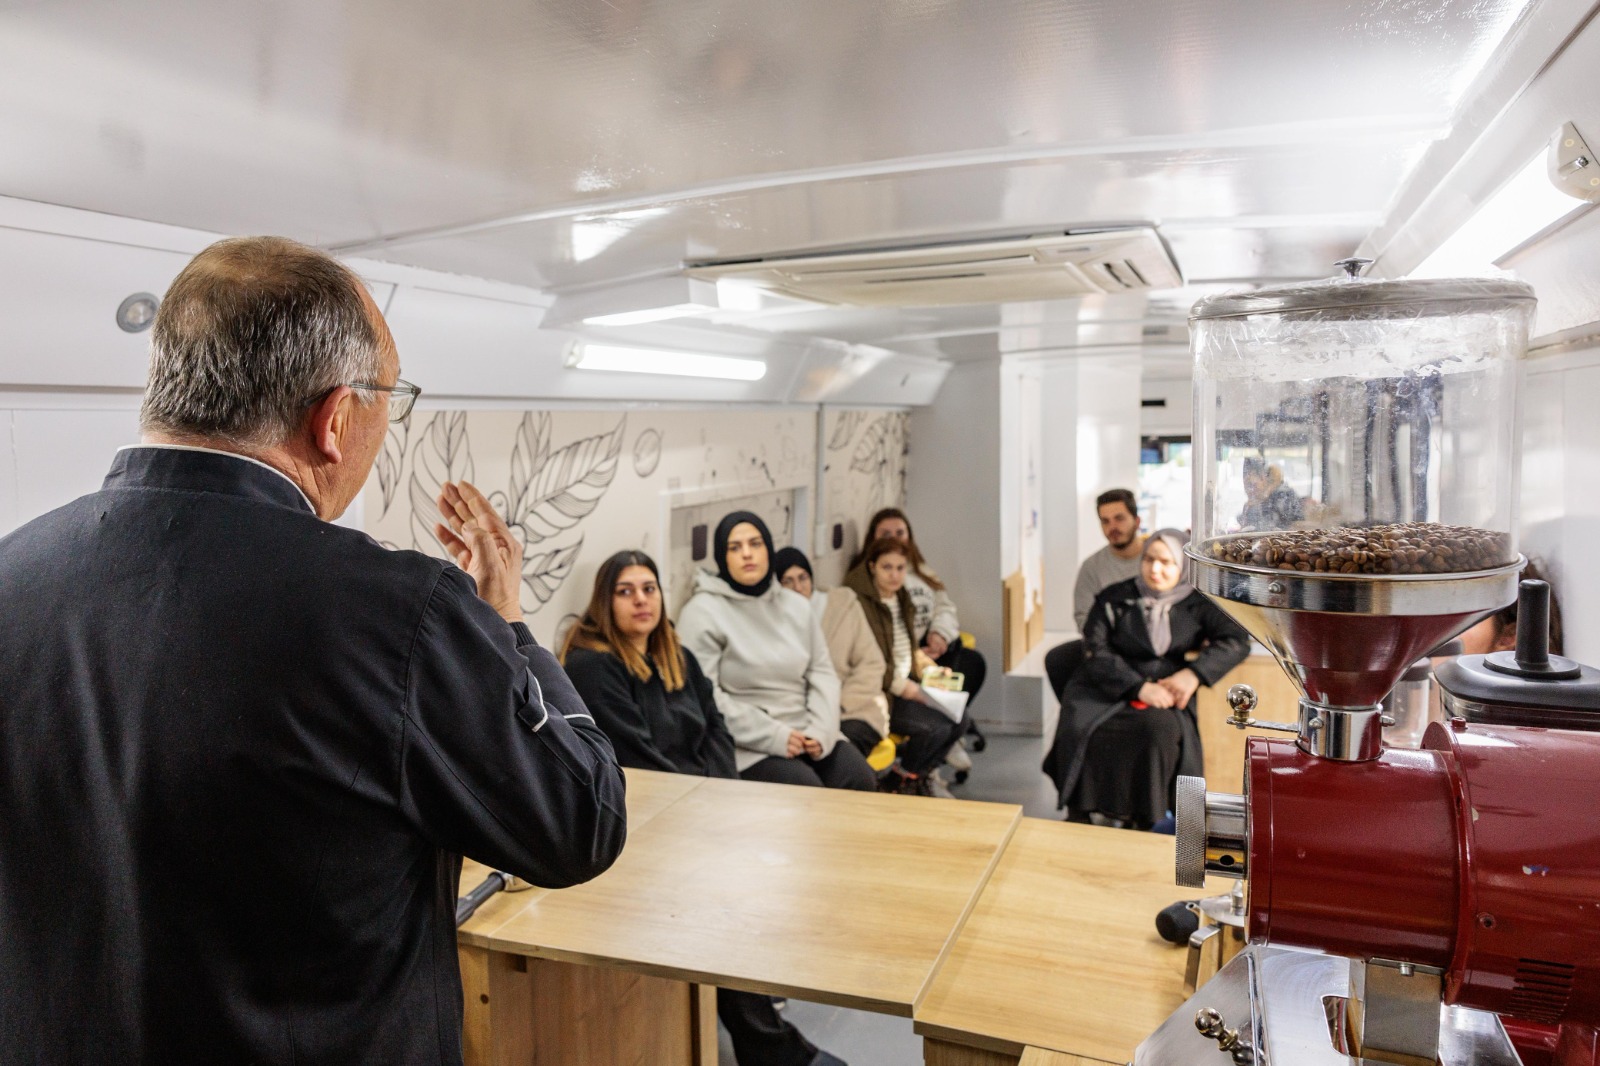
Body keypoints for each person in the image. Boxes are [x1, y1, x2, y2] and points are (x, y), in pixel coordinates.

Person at [0, 237, 626, 1064]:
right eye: (388, 403)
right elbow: (579, 820)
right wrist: (505, 626)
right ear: (334, 420)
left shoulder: (13, 572)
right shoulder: (398, 612)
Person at [560, 551, 846, 1066]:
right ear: (605, 601)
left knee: (759, 874)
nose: (642, 600)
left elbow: (715, 728)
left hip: (699, 810)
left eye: (649, 588)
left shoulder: (676, 655)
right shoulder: (594, 664)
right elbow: (635, 756)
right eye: (626, 591)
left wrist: (721, 796)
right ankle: (769, 1043)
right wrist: (706, 808)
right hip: (643, 819)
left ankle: (768, 1026)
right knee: (725, 904)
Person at [1042, 529, 1250, 829]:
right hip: (1106, 683)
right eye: (1149, 559)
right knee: (1079, 726)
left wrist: (1193, 674)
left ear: (1183, 566)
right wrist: (1137, 688)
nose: (1155, 569)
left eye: (1166, 562)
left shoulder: (1198, 602)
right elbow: (1095, 649)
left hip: (1165, 687)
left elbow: (1236, 641)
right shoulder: (1114, 597)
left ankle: (1143, 815)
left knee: (1157, 731)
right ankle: (1081, 809)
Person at [676, 511, 876, 791]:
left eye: (755, 544)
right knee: (804, 792)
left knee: (860, 778)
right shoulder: (702, 612)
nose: (747, 554)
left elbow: (823, 673)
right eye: (735, 548)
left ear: (768, 549)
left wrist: (822, 731)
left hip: (808, 729)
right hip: (747, 742)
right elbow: (704, 697)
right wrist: (774, 736)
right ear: (722, 556)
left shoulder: (796, 606)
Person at [843, 537, 969, 794]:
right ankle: (905, 780)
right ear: (871, 567)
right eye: (887, 567)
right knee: (936, 728)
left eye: (900, 568)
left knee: (961, 719)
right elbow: (872, 663)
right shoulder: (861, 605)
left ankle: (911, 777)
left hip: (907, 682)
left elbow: (907, 649)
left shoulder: (901, 598)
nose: (894, 575)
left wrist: (930, 671)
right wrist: (911, 690)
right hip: (883, 693)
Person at [852, 508, 987, 704]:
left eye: (900, 533)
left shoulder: (921, 571)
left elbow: (944, 607)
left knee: (972, 663)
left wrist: (939, 634)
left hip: (930, 648)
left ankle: (952, 717)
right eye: (886, 534)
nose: (895, 539)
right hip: (902, 659)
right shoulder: (868, 581)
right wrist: (913, 654)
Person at [772, 546, 891, 761]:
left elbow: (872, 664)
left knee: (841, 752)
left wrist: (837, 704)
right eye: (788, 581)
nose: (798, 587)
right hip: (801, 715)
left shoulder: (843, 605)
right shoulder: (773, 619)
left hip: (853, 709)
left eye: (803, 578)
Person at [1044, 488, 1148, 699]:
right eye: (1105, 521)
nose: (1113, 527)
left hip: (1152, 646)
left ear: (1137, 521)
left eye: (1119, 518)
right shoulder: (1092, 567)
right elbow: (1083, 618)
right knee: (1058, 660)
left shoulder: (1156, 560)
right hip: (1108, 647)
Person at [1240, 458, 1304, 530]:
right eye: (1246, 486)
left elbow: (1299, 526)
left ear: (1263, 478)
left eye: (1252, 485)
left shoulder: (1283, 496)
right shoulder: (1251, 507)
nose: (1249, 491)